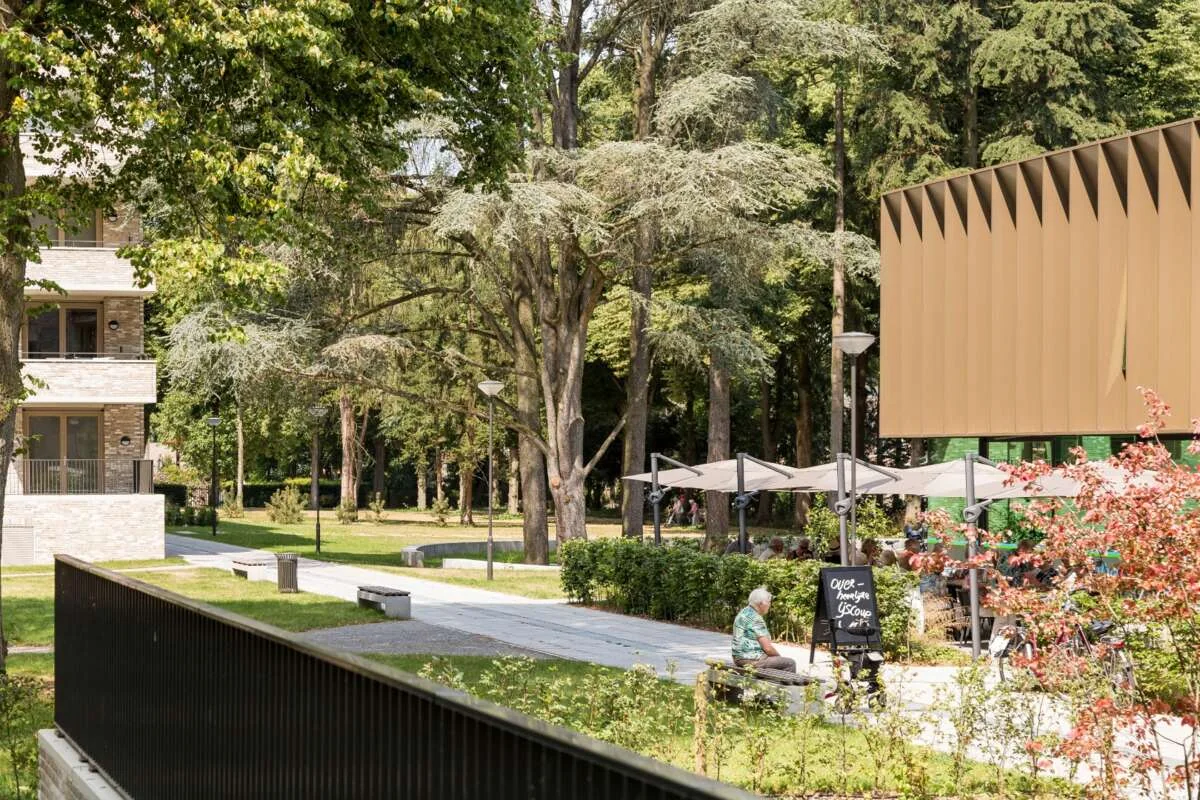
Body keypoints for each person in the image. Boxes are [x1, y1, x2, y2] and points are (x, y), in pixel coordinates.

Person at [731, 587, 796, 672]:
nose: (769, 605)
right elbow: (767, 648)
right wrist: (779, 657)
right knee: (790, 663)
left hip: (738, 658)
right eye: (769, 602)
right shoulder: (756, 618)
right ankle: (779, 685)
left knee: (778, 662)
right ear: (762, 603)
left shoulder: (744, 612)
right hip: (752, 660)